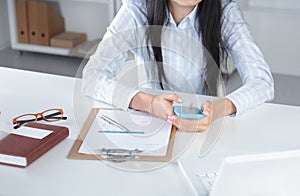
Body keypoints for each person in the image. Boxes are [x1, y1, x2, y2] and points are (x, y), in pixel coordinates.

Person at [82, 0, 274, 132]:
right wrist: (149, 103)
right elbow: (92, 77)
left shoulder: (224, 11)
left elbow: (262, 82)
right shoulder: (136, 8)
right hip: (152, 122)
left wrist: (219, 109)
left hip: (207, 125)